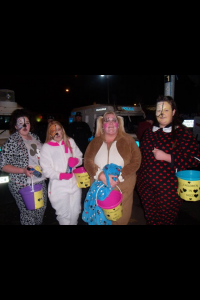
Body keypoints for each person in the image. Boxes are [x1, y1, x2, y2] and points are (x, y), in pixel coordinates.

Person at [137, 96, 200, 225]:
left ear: (173, 112)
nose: (161, 113)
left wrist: (167, 157)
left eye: (166, 110)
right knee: (151, 219)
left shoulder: (182, 133)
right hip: (145, 186)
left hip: (168, 189)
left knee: (166, 221)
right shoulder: (149, 132)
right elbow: (141, 156)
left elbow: (195, 159)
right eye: (158, 110)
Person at [83, 111, 142, 225]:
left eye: (113, 120)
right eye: (107, 120)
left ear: (118, 124)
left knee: (119, 220)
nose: (110, 123)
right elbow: (87, 161)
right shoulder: (95, 142)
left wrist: (119, 177)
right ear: (102, 125)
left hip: (122, 190)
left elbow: (136, 161)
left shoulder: (128, 140)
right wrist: (100, 176)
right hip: (99, 191)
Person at [0, 109, 47, 225]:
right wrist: (22, 170)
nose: (25, 125)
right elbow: (2, 165)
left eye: (27, 122)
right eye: (21, 123)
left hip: (39, 180)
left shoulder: (34, 136)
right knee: (29, 214)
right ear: (15, 126)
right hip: (22, 183)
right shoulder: (12, 141)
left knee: (40, 210)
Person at [40, 121, 83, 225]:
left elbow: (80, 157)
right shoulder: (46, 147)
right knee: (64, 216)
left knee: (76, 212)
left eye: (59, 130)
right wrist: (60, 175)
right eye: (53, 131)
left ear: (62, 130)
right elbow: (46, 170)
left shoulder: (70, 141)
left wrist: (76, 161)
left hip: (75, 185)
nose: (57, 133)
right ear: (50, 133)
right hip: (58, 188)